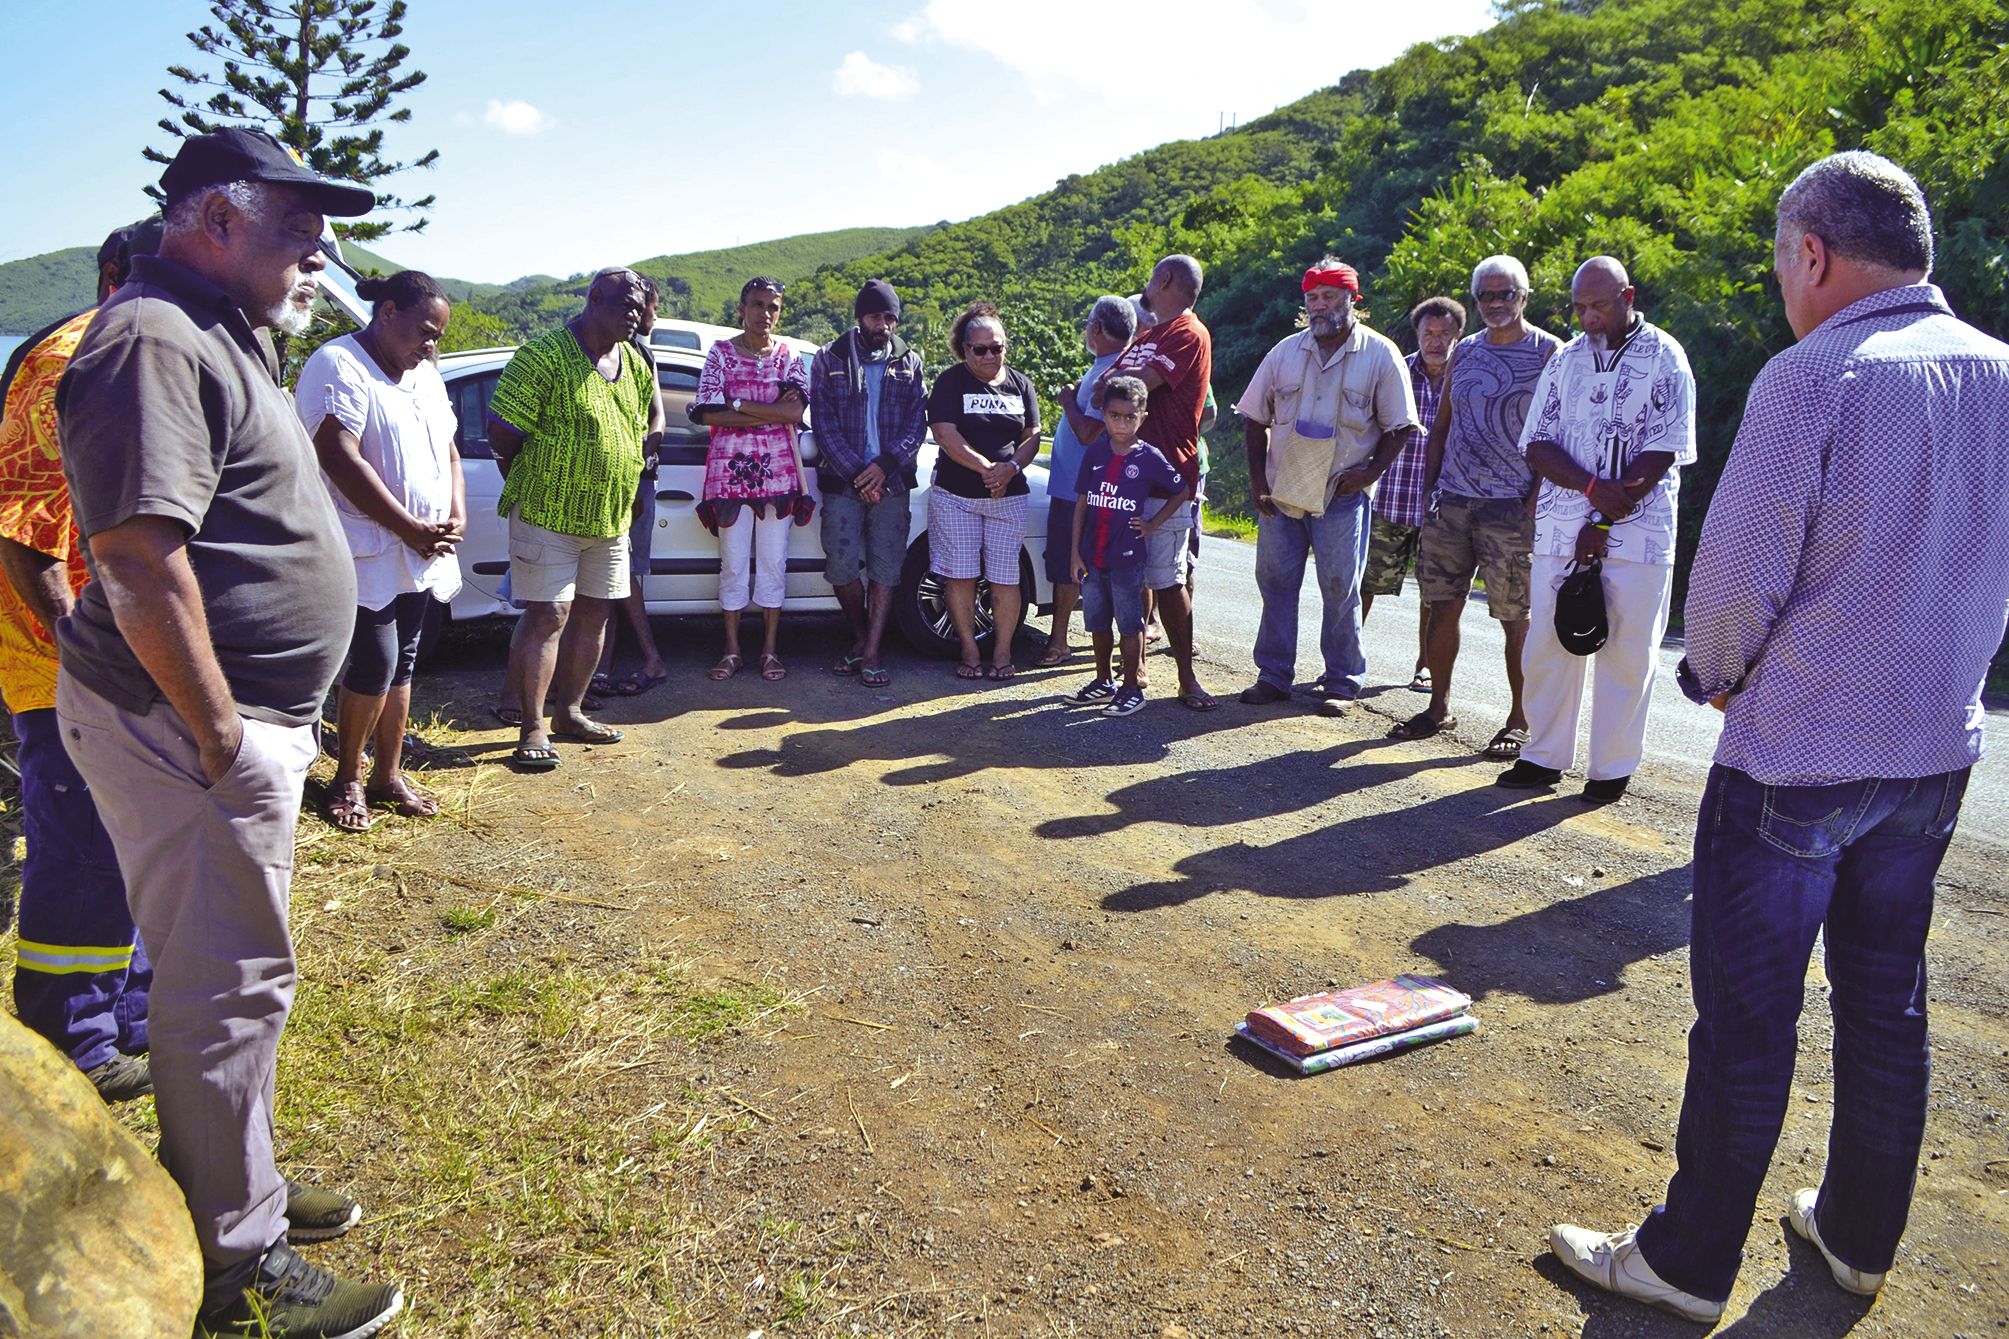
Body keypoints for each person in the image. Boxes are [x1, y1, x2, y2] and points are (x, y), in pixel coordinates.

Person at [1551, 152, 2009, 1324]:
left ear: (1809, 253)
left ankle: (1687, 1260)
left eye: (1777, 262)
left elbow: (1730, 588)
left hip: (1797, 749)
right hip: (1932, 751)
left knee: (1749, 1018)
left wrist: (1711, 673)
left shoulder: (1813, 374)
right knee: (1884, 1003)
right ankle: (1856, 1239)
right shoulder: (2000, 374)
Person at [52, 126, 403, 1335]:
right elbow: (140, 561)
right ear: (215, 220)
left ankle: (231, 1181)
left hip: (222, 720)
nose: (322, 250)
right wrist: (220, 737)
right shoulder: (150, 336)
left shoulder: (219, 326)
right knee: (226, 984)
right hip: (188, 726)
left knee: (225, 979)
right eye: (299, 225)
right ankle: (233, 1267)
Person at [0, 220, 158, 1103]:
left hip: (119, 660)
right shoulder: (68, 360)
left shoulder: (127, 351)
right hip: (58, 661)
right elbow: (27, 535)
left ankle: (128, 1016)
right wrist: (80, 654)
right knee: (83, 850)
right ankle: (73, 1039)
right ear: (113, 276)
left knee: (130, 845)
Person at [1500, 258, 1695, 801]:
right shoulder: (1565, 360)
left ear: (1627, 296)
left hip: (1641, 531)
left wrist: (1605, 517)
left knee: (1628, 653)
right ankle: (1542, 756)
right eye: (1579, 307)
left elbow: (1664, 447)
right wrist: (1589, 492)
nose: (1587, 317)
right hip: (1562, 526)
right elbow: (1536, 442)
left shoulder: (1665, 356)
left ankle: (1610, 769)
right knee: (1549, 643)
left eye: (1598, 305)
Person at [296, 269, 466, 830]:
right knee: (376, 660)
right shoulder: (339, 363)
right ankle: (347, 776)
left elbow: (450, 451)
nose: (430, 344)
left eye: (437, 335)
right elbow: (339, 456)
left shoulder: (426, 376)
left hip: (422, 548)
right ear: (386, 311)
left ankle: (387, 775)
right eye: (423, 330)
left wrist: (455, 512)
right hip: (364, 546)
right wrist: (406, 525)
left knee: (406, 660)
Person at [1234, 259, 1418, 716]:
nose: (1320, 306)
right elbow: (1255, 419)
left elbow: (1400, 426)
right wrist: (1259, 482)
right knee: (1275, 582)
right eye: (1313, 298)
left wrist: (1368, 474)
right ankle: (1273, 676)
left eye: (1330, 297)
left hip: (1342, 493)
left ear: (1352, 299)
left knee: (1340, 587)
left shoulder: (1380, 354)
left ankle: (1341, 680)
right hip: (1283, 491)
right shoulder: (1284, 352)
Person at [1394, 254, 1562, 755]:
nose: (1494, 303)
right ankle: (1438, 708)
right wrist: (1429, 491)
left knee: (1517, 617)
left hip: (1511, 506)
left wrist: (1534, 501)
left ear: (1524, 296)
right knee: (1442, 606)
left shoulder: (1551, 352)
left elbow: (1559, 431)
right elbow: (1442, 424)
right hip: (1453, 501)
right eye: (1485, 295)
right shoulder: (1464, 351)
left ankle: (1520, 719)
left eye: (1504, 294)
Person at [488, 267, 650, 769]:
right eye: (625, 304)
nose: (635, 314)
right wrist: (547, 472)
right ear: (594, 298)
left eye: (639, 306)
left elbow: (637, 428)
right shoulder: (541, 355)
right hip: (546, 512)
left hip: (609, 518)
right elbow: (502, 431)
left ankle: (570, 713)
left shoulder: (634, 363)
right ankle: (532, 726)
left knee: (595, 614)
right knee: (548, 617)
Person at [1099, 256, 1216, 710]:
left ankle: (1187, 679)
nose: (1147, 283)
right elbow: (1105, 391)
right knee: (1127, 579)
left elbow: (1135, 388)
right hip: (1123, 479)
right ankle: (1132, 679)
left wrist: (1118, 385)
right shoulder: (1148, 335)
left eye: (1152, 276)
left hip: (1166, 479)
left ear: (1164, 279)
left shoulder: (1189, 332)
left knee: (1168, 581)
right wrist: (1117, 385)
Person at [690, 276, 812, 682]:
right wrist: (769, 409)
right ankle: (731, 650)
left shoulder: (789, 357)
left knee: (774, 563)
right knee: (733, 564)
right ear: (741, 309)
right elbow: (707, 412)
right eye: (757, 305)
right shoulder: (720, 355)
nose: (765, 313)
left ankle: (770, 651)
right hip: (728, 477)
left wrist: (739, 403)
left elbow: (794, 415)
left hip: (778, 477)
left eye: (773, 306)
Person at [810, 279, 928, 688]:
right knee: (840, 567)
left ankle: (873, 651)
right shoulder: (830, 358)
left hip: (893, 484)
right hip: (843, 483)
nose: (885, 324)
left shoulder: (910, 361)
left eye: (891, 317)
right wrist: (859, 474)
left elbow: (917, 423)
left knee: (886, 570)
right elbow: (822, 423)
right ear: (861, 317)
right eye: (877, 316)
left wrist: (885, 467)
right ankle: (861, 636)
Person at [926, 302, 1041, 680]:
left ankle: (1003, 654)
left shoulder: (1022, 383)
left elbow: (1032, 435)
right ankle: (970, 651)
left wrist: (1010, 469)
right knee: (960, 576)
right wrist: (987, 469)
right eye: (981, 349)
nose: (991, 354)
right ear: (964, 349)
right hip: (956, 497)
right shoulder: (950, 382)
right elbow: (945, 434)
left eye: (998, 347)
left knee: (1006, 578)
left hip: (1007, 498)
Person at [1062, 375, 1185, 716]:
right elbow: (1082, 505)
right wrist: (1075, 553)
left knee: (1130, 625)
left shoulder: (1148, 457)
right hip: (1092, 556)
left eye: (1130, 416)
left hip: (1128, 559)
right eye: (1115, 415)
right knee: (1097, 622)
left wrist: (1152, 524)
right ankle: (1104, 681)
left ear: (1142, 417)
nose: (1121, 422)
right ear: (1103, 414)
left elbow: (1181, 490)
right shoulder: (1095, 453)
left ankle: (1132, 687)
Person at [1360, 296, 1464, 693]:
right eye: (1428, 333)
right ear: (1417, 334)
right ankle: (1345, 663)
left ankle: (1424, 666)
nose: (1435, 341)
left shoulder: (1466, 374)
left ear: (1458, 335)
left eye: (1444, 334)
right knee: (1365, 584)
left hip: (1442, 507)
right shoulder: (1397, 370)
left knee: (1435, 595)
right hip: (1390, 499)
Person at [1039, 295, 1137, 668]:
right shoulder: (1109, 367)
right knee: (1080, 564)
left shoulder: (1114, 372)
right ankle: (1071, 642)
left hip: (1084, 491)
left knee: (1077, 564)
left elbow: (1089, 432)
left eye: (1088, 325)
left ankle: (1063, 641)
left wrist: (1067, 401)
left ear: (1096, 328)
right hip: (1080, 486)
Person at [592, 273, 669, 697]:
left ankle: (611, 665)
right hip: (610, 483)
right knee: (614, 575)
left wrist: (637, 457)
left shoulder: (639, 355)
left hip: (631, 482)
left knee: (619, 574)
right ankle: (618, 663)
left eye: (646, 309)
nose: (648, 317)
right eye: (646, 309)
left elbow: (658, 416)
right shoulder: (609, 352)